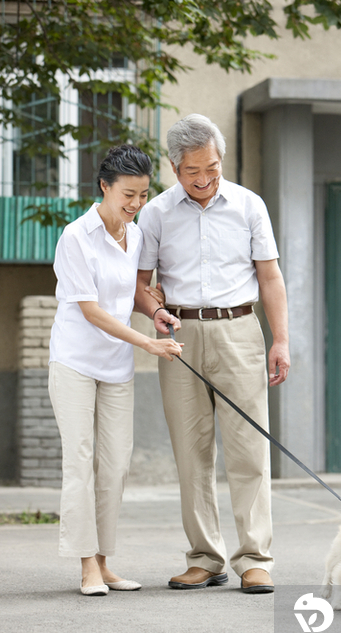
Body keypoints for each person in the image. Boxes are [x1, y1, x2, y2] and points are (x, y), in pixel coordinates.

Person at [135, 114, 290, 594]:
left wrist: (280, 339)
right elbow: (140, 285)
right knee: (191, 453)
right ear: (174, 168)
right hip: (178, 336)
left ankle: (255, 559)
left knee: (249, 450)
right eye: (192, 172)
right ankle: (205, 557)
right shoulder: (156, 213)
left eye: (213, 168)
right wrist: (152, 311)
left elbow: (269, 278)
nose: (204, 180)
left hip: (239, 331)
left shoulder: (249, 206)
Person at [48, 144, 182, 596]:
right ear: (104, 187)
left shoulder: (136, 234)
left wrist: (154, 314)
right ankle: (86, 565)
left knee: (116, 465)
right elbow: (91, 309)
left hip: (116, 365)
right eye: (128, 194)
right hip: (75, 363)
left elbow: (134, 294)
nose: (136, 204)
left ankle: (105, 562)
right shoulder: (76, 237)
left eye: (143, 195)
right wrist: (147, 341)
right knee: (80, 462)